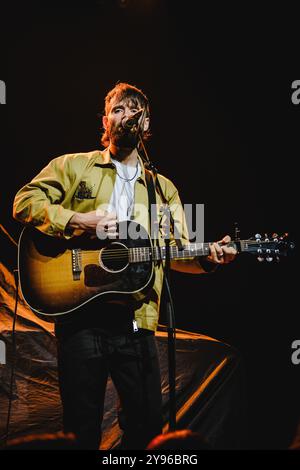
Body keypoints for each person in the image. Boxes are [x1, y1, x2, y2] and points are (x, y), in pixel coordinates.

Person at [13, 82, 237, 450]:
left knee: (146, 427)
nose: (126, 116)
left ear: (146, 126)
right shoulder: (73, 167)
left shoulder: (162, 189)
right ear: (105, 121)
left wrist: (209, 260)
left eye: (135, 111)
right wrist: (79, 221)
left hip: (136, 320)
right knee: (80, 430)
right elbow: (24, 202)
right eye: (118, 109)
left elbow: (175, 253)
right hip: (80, 317)